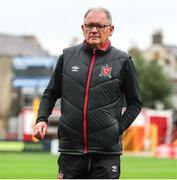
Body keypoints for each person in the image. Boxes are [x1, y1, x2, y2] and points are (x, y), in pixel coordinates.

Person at [33, 7, 142, 179]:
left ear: (110, 30)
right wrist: (41, 120)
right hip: (71, 152)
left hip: (106, 154)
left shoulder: (123, 61)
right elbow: (50, 93)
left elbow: (135, 103)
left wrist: (117, 129)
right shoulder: (67, 57)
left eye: (99, 26)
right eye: (89, 25)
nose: (94, 30)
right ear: (82, 29)